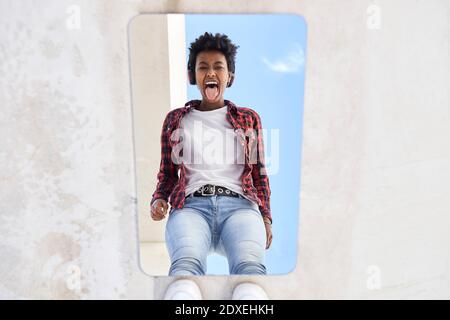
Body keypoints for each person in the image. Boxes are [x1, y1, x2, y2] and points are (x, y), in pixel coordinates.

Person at [150, 32, 272, 276]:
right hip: (190, 207)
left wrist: (266, 218)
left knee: (250, 269)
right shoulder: (176, 120)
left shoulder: (248, 118)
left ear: (230, 77)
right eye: (203, 67)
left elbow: (259, 174)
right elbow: (167, 173)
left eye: (219, 67)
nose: (211, 73)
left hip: (240, 208)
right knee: (186, 265)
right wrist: (158, 198)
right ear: (192, 76)